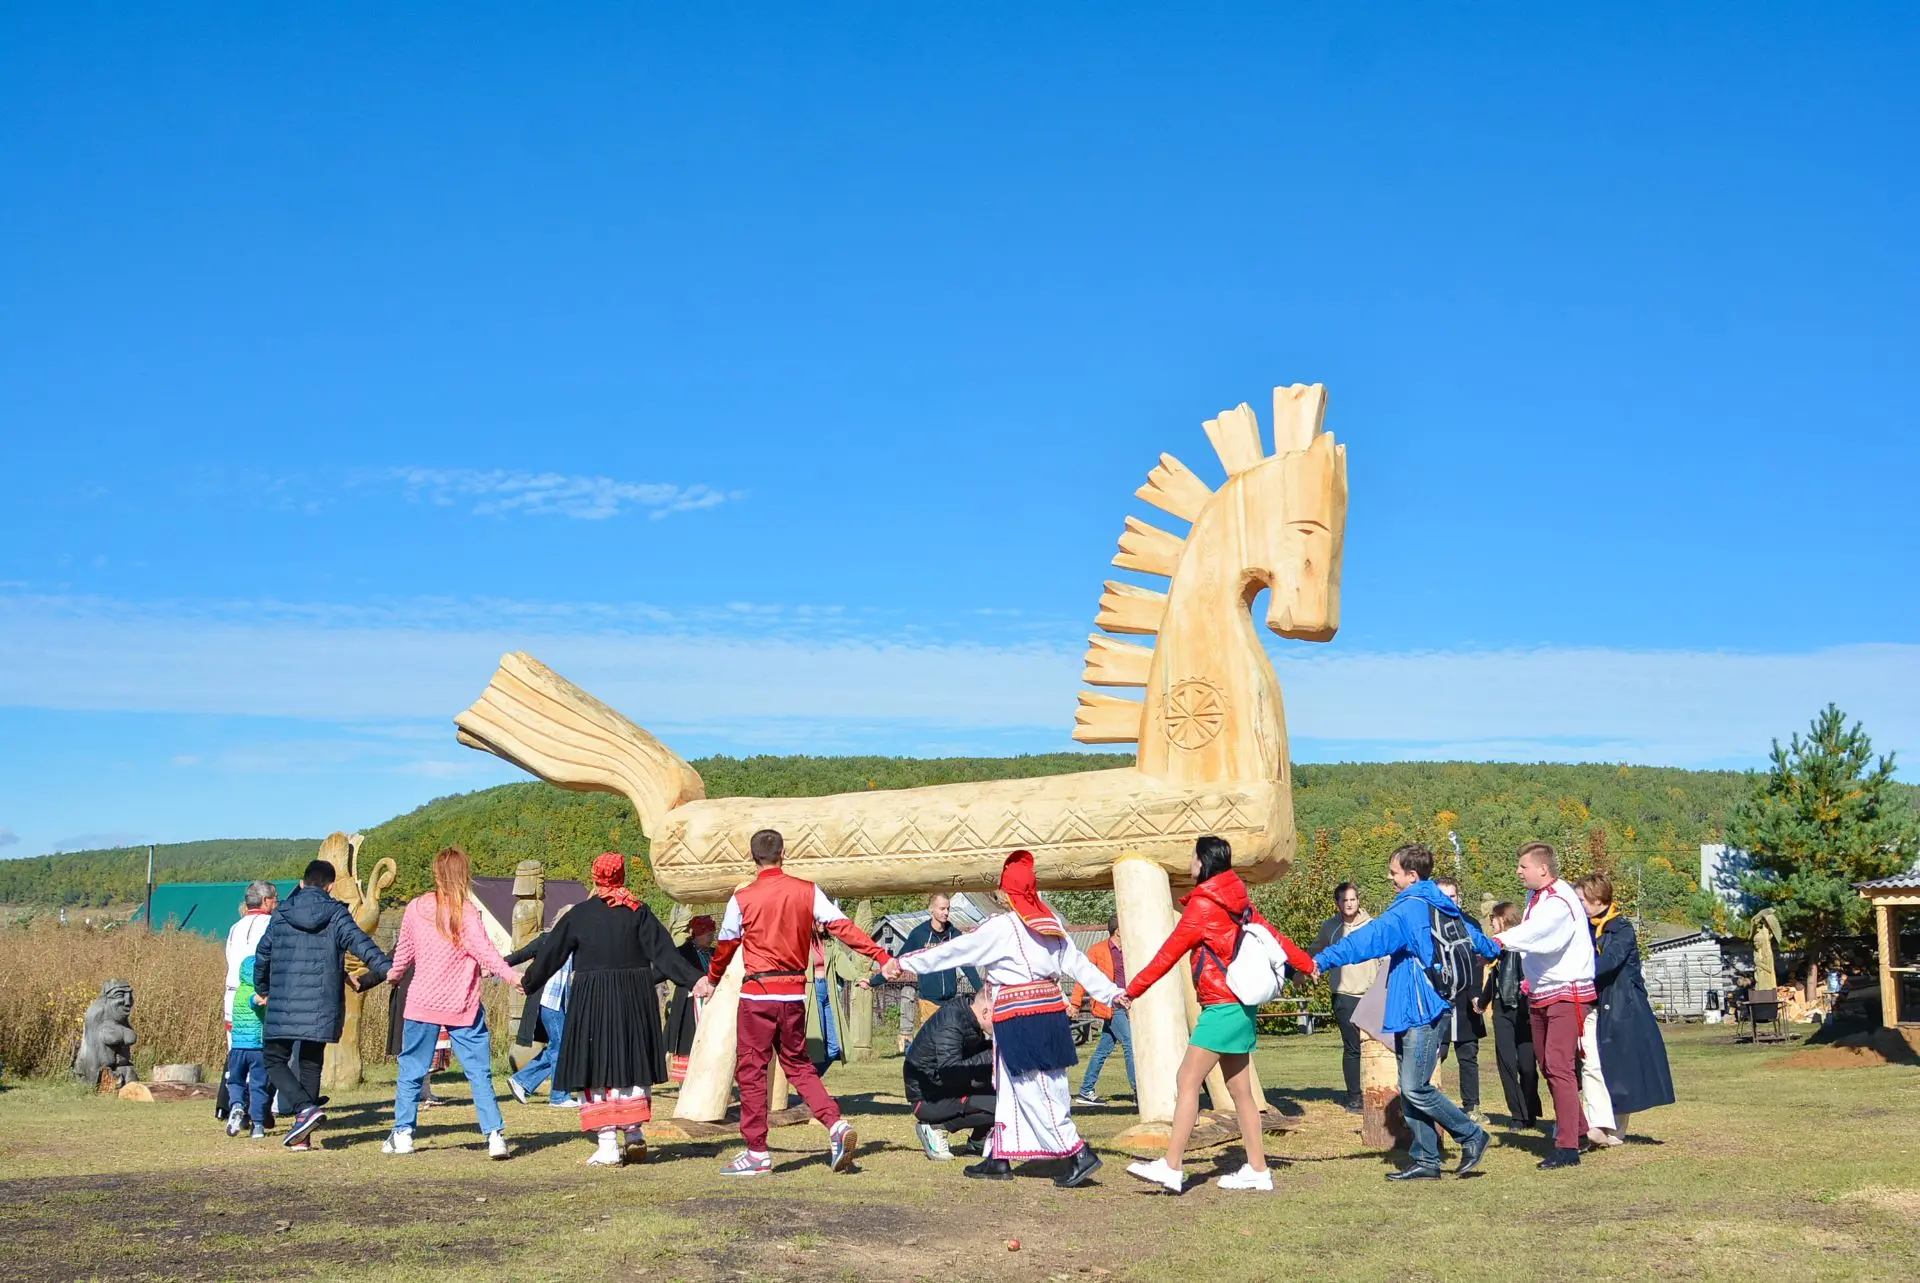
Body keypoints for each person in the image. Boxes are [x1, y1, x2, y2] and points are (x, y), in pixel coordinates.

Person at [884, 850, 1125, 1189]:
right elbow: (1080, 966)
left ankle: (1077, 1152)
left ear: (1006, 892)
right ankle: (999, 1156)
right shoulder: (1051, 924)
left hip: (1020, 1017)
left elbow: (953, 951)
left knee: (1034, 1089)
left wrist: (904, 962)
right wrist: (1112, 992)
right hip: (1048, 1013)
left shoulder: (1002, 927)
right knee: (1014, 1088)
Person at [1123, 836, 1313, 1193]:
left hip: (1221, 1005)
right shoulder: (1237, 900)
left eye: (1192, 858)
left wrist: (1131, 991)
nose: (1190, 863)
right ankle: (1258, 1169)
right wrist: (1308, 964)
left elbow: (1167, 954)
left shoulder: (1202, 907)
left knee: (1187, 1080)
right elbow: (1275, 936)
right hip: (1241, 1006)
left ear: (1202, 862)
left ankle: (1172, 1165)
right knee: (1241, 1091)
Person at [700, 829, 893, 1177]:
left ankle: (757, 1152)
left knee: (752, 1071)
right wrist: (879, 954)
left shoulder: (742, 898)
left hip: (757, 995)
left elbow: (725, 947)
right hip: (793, 995)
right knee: (799, 1066)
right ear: (784, 853)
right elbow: (843, 927)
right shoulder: (807, 890)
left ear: (751, 857)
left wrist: (712, 980)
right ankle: (835, 1125)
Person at [1310, 843, 1500, 1181]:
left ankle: (1471, 1134)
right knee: (1412, 1085)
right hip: (1419, 1006)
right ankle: (1426, 1159)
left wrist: (1323, 960)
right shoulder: (1440, 905)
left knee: (1413, 1088)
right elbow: (1474, 937)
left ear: (1412, 876)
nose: (1389, 876)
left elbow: (1366, 940)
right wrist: (1492, 949)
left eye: (1394, 872)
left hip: (1421, 1009)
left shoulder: (1408, 910)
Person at [521, 853, 706, 1167]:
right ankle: (633, 1134)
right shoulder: (639, 912)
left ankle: (607, 1144)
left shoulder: (579, 915)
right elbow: (665, 955)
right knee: (631, 1059)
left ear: (595, 879)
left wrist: (528, 982)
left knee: (597, 1065)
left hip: (592, 997)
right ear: (622, 877)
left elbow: (551, 953)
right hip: (635, 995)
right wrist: (695, 979)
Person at [379, 847, 523, 1159]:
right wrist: (511, 977)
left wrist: (394, 974)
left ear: (436, 874)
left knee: (411, 1069)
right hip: (463, 1004)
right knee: (479, 1072)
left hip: (422, 1002)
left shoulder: (416, 908)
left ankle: (403, 1134)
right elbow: (486, 952)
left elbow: (404, 950)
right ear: (464, 875)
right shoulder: (467, 912)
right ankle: (495, 1136)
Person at [253, 859, 392, 1150]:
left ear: (302, 883)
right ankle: (304, 1134)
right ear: (329, 886)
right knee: (310, 1062)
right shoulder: (337, 914)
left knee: (274, 1059)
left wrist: (262, 989)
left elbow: (262, 954)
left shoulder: (280, 915)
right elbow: (362, 944)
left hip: (284, 1000)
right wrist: (387, 969)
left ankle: (305, 1110)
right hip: (321, 1003)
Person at [1491, 842, 1597, 1171]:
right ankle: (1578, 1130)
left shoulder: (1559, 900)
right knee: (1548, 1065)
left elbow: (1540, 933)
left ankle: (1567, 1147)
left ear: (1543, 869)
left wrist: (1498, 940)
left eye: (1523, 866)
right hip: (1541, 993)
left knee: (1559, 1065)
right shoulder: (1535, 898)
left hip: (1567, 993)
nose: (1518, 872)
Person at [1575, 873, 1675, 1144]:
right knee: (1592, 1064)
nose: (1579, 904)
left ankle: (1616, 1130)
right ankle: (1597, 1125)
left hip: (1622, 1008)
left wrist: (1573, 971)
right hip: (1592, 1007)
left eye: (1582, 899)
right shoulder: (1581, 927)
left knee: (1621, 1069)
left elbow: (1608, 962)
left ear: (1597, 899)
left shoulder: (1622, 929)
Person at [1310, 882, 1381, 1113]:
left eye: (1353, 899)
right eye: (1344, 900)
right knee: (1352, 1048)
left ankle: (1380, 1091)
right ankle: (1354, 1097)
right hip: (1344, 994)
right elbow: (1316, 949)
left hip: (1371, 993)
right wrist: (1306, 966)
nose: (1349, 904)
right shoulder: (1330, 927)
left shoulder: (1371, 925)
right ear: (1338, 903)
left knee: (1377, 1046)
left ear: (1358, 900)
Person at [904, 986, 997, 1160]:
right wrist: (991, 1054)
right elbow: (950, 1072)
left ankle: (977, 1142)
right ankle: (936, 1127)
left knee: (1008, 1095)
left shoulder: (970, 1018)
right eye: (1000, 1018)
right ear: (985, 1012)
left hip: (946, 1089)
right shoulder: (951, 1023)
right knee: (1000, 1106)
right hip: (927, 1098)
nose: (1003, 1025)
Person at [217, 879, 277, 1125]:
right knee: (263, 1056)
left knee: (236, 1055)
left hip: (233, 997)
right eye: (275, 899)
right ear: (265, 901)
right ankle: (258, 1112)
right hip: (260, 997)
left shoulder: (234, 927)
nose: (276, 904)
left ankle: (232, 1106)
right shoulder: (271, 924)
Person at [1479, 902, 1542, 1129]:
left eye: (1493, 920)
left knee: (1527, 1065)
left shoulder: (1525, 943)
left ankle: (1530, 1111)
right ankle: (1517, 1114)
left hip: (1524, 1008)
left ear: (1504, 918)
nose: (1491, 924)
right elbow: (1495, 978)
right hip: (1502, 1009)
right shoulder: (1498, 947)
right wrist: (1483, 1002)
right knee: (1507, 1063)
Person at [1433, 876, 1489, 1123]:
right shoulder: (1428, 925)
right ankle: (1431, 1103)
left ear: (1459, 897)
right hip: (1439, 1000)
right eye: (1442, 897)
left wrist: (1477, 995)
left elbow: (1477, 965)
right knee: (1436, 1053)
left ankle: (1472, 1106)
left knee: (1468, 1055)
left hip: (1467, 1000)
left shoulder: (1470, 924)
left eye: (1452, 896)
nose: (1448, 901)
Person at [1070, 916, 1136, 1105]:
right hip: (1112, 1006)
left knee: (1103, 1050)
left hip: (1126, 1005)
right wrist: (1075, 1004)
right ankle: (1138, 1092)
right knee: (1130, 1046)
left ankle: (1085, 1090)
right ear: (1118, 931)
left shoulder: (1130, 950)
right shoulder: (1097, 950)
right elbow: (1083, 977)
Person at [900, 894, 982, 1026]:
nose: (946, 912)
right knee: (930, 1043)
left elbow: (968, 967)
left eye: (948, 909)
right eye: (942, 909)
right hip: (929, 1002)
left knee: (949, 1041)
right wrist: (873, 981)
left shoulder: (954, 935)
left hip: (950, 1002)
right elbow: (898, 961)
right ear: (931, 909)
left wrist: (982, 991)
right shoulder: (919, 934)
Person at [663, 915, 716, 1084]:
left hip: (711, 1004)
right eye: (708, 934)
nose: (711, 938)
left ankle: (708, 1082)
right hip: (688, 1004)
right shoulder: (682, 952)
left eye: (712, 934)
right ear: (698, 933)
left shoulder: (715, 953)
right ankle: (686, 1084)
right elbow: (671, 971)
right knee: (688, 1041)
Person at [223, 956, 270, 1140]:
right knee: (258, 1085)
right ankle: (257, 1125)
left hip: (237, 1048)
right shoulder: (254, 992)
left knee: (235, 1081)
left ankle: (236, 1105)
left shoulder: (238, 992)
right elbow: (255, 1000)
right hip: (257, 1049)